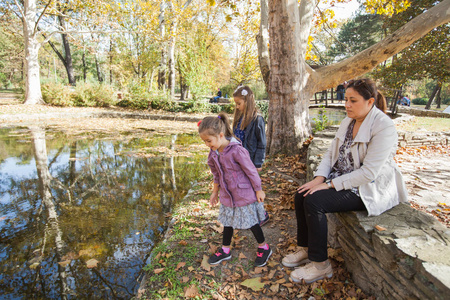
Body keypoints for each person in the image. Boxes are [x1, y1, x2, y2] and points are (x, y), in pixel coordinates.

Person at [282, 78, 408, 283]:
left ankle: (321, 265)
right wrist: (319, 178)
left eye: (353, 100)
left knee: (315, 202)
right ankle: (305, 249)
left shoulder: (383, 126)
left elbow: (369, 174)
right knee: (301, 194)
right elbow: (330, 155)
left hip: (365, 187)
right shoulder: (348, 121)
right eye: (346, 99)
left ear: (370, 102)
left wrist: (328, 184)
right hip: (341, 178)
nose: (347, 104)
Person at [198, 113, 272, 267]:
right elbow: (216, 174)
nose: (207, 144)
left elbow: (251, 170)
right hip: (227, 194)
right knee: (227, 222)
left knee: (251, 221)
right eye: (204, 141)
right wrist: (214, 191)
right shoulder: (214, 153)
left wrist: (258, 189)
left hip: (243, 193)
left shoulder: (236, 150)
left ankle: (264, 247)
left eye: (208, 140)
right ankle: (225, 250)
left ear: (220, 135)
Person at [232, 85, 269, 226]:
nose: (236, 107)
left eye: (239, 103)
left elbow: (262, 143)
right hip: (239, 160)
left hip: (250, 161)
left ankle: (262, 214)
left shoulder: (257, 119)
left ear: (247, 101)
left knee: (253, 189)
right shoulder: (239, 118)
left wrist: (258, 162)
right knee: (243, 188)